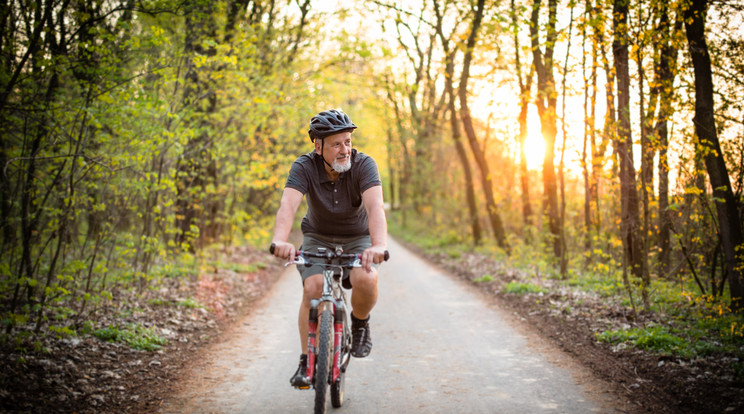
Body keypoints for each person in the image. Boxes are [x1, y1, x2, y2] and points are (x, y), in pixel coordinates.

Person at [270, 109, 388, 388]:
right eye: (337, 144)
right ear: (318, 146)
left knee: (367, 279)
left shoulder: (364, 165)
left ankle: (359, 323)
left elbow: (375, 208)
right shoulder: (304, 166)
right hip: (318, 237)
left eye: (347, 141)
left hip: (357, 237)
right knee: (312, 289)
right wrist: (280, 240)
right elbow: (288, 205)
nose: (345, 149)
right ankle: (305, 360)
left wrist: (379, 244)